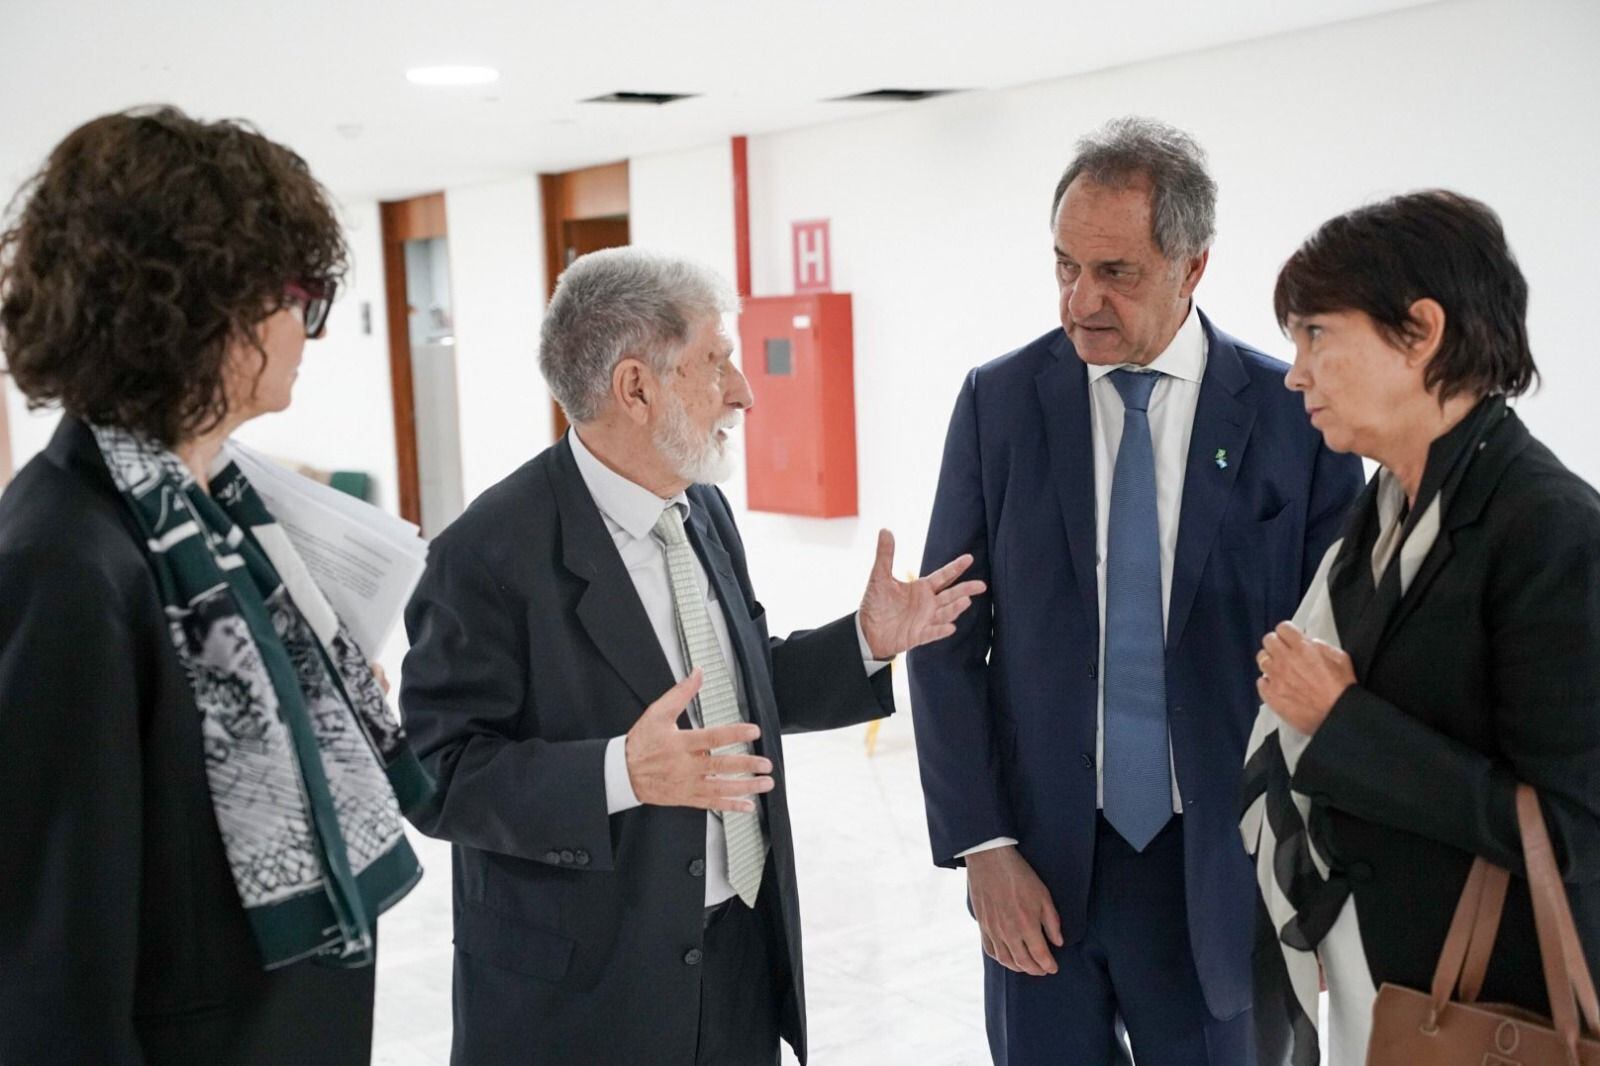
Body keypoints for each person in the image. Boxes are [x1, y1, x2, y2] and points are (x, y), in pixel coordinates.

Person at [399, 246, 984, 1066]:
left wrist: (866, 642)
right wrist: (619, 773)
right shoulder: (486, 555)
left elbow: (737, 690)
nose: (743, 392)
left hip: (736, 957)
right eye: (717, 362)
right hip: (584, 996)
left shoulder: (701, 509)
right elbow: (437, 775)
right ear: (636, 387)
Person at [908, 116, 1364, 1065]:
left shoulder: (1296, 418)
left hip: (1225, 877)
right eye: (1065, 266)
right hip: (1038, 870)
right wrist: (982, 846)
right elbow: (946, 641)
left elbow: (1344, 661)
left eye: (1116, 272)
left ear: (1193, 267)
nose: (1082, 300)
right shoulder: (1000, 404)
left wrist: (1329, 886)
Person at [0, 107, 430, 1064]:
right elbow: (51, 969)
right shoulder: (63, 561)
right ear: (202, 310)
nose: (305, 326)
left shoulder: (216, 513)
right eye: (297, 294)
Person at [1242, 188, 1600, 1064]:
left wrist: (1344, 725)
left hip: (1496, 1010)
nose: (1296, 372)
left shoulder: (1550, 529)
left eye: (1317, 334)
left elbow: (1573, 830)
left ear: (1421, 331)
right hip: (1386, 988)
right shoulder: (1385, 511)